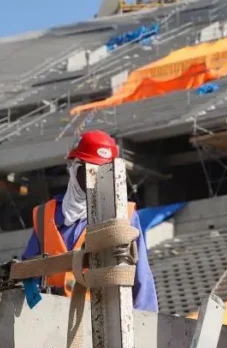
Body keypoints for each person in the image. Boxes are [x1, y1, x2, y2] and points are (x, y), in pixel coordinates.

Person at [21, 130, 158, 312]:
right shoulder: (44, 215)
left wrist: (144, 325)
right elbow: (28, 272)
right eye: (88, 171)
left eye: (101, 173)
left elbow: (141, 276)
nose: (94, 180)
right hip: (52, 319)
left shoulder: (125, 215)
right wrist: (36, 309)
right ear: (74, 168)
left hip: (103, 319)